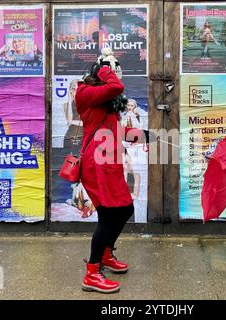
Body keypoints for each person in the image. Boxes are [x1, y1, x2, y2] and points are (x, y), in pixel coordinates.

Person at [75, 60, 153, 293]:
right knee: (109, 216)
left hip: (110, 162)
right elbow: (116, 87)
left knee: (125, 209)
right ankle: (92, 273)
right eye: (110, 71)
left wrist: (150, 136)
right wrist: (103, 67)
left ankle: (106, 254)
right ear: (99, 73)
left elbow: (116, 132)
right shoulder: (85, 92)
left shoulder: (105, 102)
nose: (115, 75)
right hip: (96, 164)